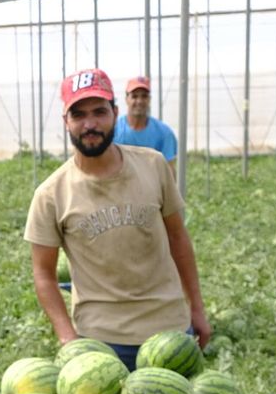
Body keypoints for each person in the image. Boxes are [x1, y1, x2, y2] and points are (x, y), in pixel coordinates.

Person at [24, 68, 210, 369]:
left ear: (114, 112)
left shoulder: (154, 165)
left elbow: (178, 238)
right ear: (66, 122)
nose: (90, 124)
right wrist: (67, 338)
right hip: (100, 344)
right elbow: (44, 275)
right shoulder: (50, 194)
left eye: (99, 112)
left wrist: (197, 309)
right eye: (79, 115)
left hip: (170, 331)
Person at [113, 76, 178, 165]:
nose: (139, 101)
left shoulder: (164, 133)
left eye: (144, 96)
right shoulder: (114, 131)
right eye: (134, 96)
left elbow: (168, 171)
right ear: (126, 99)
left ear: (149, 99)